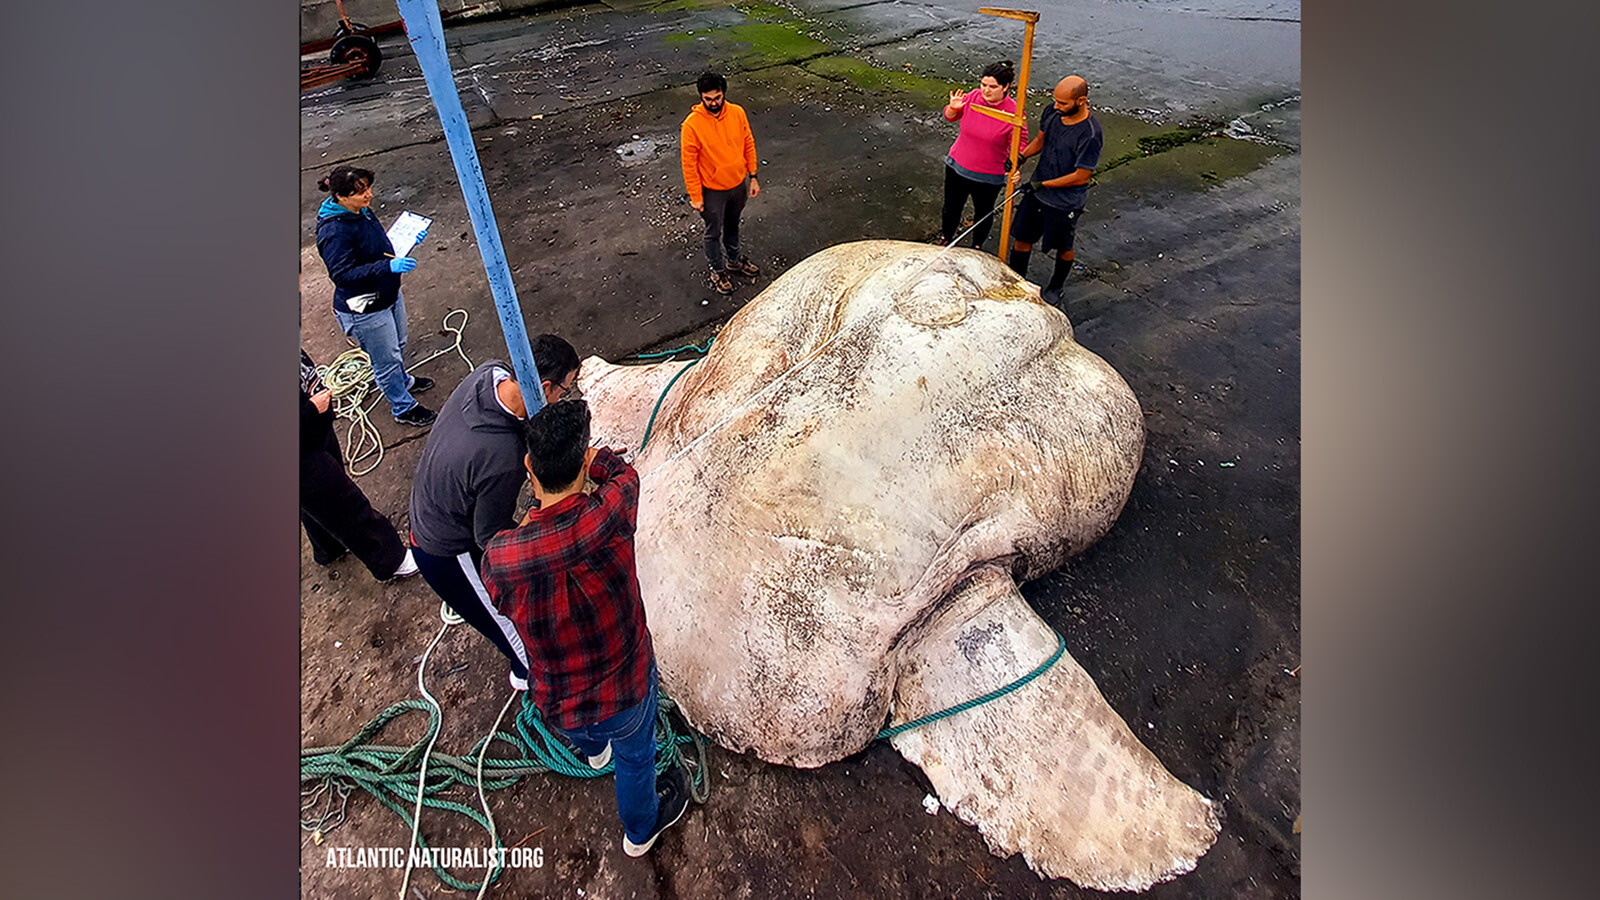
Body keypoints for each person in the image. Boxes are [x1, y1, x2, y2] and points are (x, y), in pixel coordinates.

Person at [480, 399, 690, 858]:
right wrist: (599, 460)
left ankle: (594, 753)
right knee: (636, 759)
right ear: (582, 466)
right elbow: (626, 476)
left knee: (587, 734)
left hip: (560, 696)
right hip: (626, 685)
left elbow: (498, 596)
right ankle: (640, 831)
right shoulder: (610, 515)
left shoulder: (502, 557)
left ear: (528, 467)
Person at [407, 336, 582, 690]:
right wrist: (541, 522)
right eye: (565, 390)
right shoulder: (503, 457)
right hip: (445, 549)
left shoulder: (490, 373)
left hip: (431, 502)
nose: (566, 397)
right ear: (544, 387)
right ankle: (530, 678)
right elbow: (490, 538)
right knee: (512, 626)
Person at [315, 165, 437, 427]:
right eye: (360, 192)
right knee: (385, 359)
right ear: (341, 197)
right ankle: (402, 407)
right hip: (364, 307)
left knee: (399, 343)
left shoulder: (361, 212)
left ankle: (402, 382)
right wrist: (387, 267)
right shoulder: (334, 232)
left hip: (387, 292)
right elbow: (342, 274)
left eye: (368, 188)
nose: (368, 195)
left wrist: (406, 242)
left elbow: (377, 247)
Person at [300, 348, 419, 581]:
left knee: (317, 503)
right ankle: (391, 560)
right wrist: (311, 409)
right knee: (342, 503)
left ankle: (329, 547)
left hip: (313, 430)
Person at [1008, 75, 1104, 307]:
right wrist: (1021, 157)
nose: (1057, 107)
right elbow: (1041, 140)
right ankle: (1016, 280)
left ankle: (1056, 286)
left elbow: (1081, 176)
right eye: (1055, 101)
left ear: (1081, 100)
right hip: (1038, 190)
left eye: (1063, 103)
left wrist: (1044, 185)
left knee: (1063, 245)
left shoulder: (1090, 134)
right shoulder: (1053, 112)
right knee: (1022, 237)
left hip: (1065, 201)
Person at [680, 71, 762, 296]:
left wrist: (752, 176)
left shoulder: (737, 113)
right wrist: (696, 196)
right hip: (712, 191)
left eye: (716, 98)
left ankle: (734, 261)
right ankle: (717, 270)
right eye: (708, 99)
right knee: (713, 232)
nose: (713, 103)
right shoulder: (692, 126)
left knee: (733, 224)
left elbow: (748, 142)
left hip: (738, 185)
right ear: (701, 97)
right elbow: (689, 164)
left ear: (723, 93)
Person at [937, 60, 1028, 250]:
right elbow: (949, 117)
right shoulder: (973, 97)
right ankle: (946, 237)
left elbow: (1019, 146)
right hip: (957, 166)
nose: (986, 91)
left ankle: (977, 245)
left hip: (988, 176)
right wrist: (953, 108)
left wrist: (1016, 166)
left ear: (1005, 87)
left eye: (993, 87)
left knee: (984, 213)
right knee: (951, 208)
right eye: (984, 85)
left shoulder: (1014, 113)